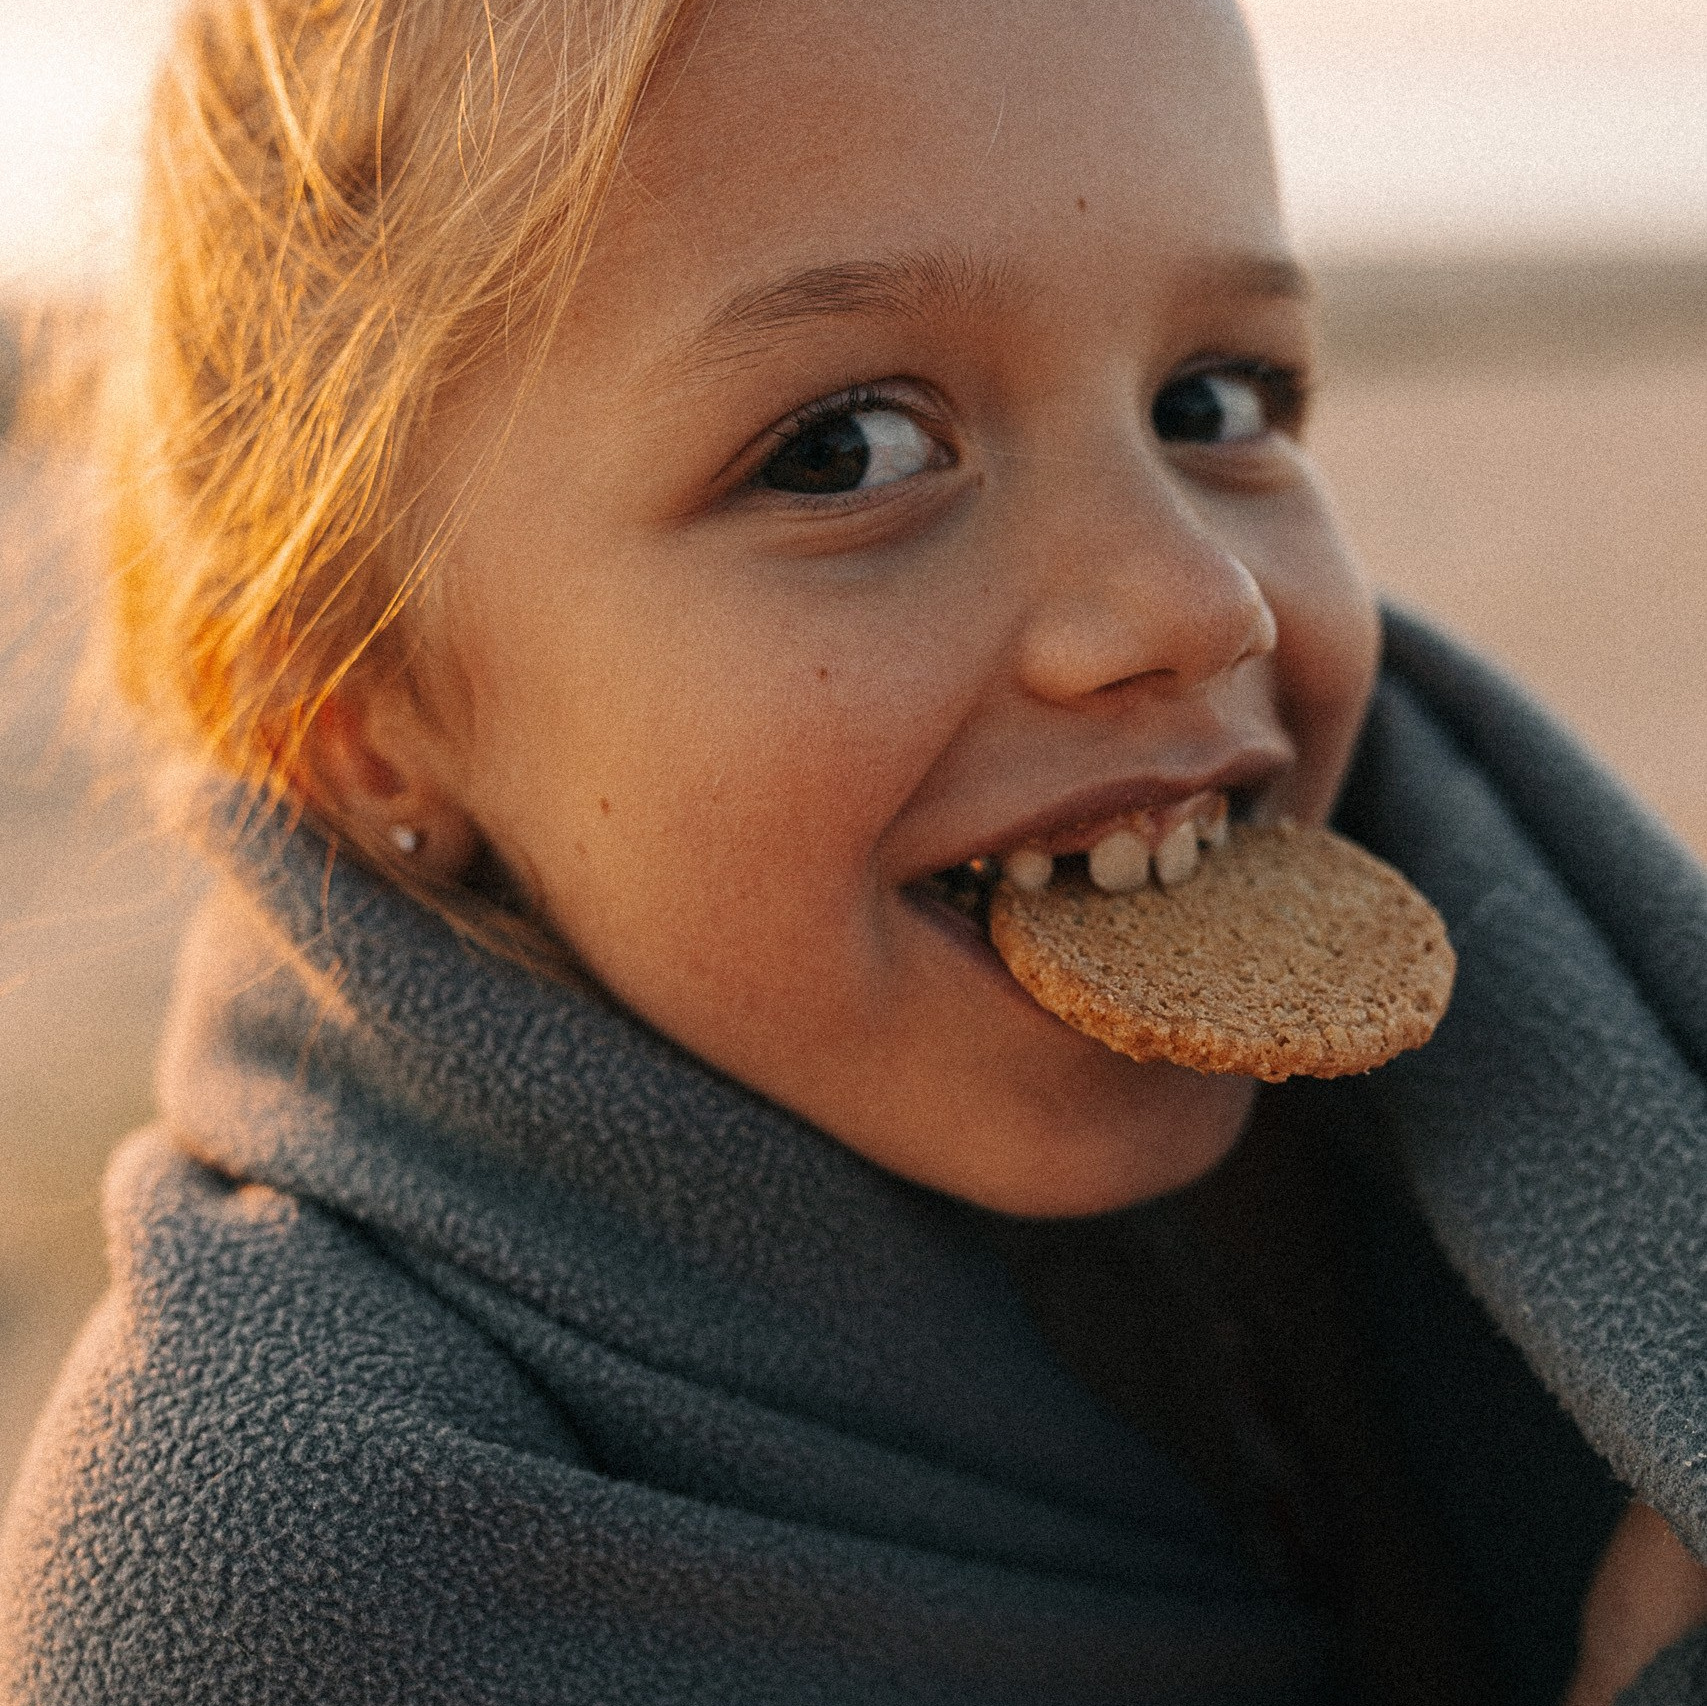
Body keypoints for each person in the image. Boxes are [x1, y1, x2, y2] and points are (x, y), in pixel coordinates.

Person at [4, 0, 1707, 1699]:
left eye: (1214, 396)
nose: (1201, 601)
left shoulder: (1497, 1146)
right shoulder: (296, 1602)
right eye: (848, 449)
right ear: (366, 713)